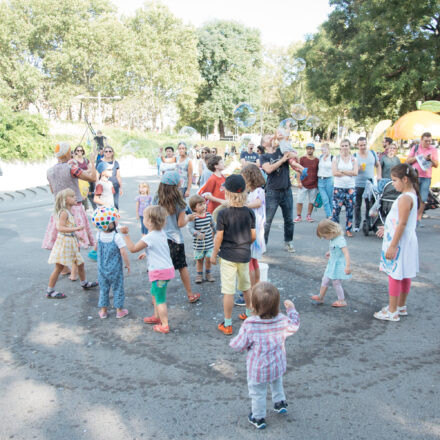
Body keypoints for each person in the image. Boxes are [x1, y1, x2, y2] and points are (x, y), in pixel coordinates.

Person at [229, 282, 300, 430]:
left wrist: (236, 343)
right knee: (276, 382)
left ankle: (258, 417)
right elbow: (294, 325)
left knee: (258, 393)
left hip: (258, 369)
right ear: (277, 305)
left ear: (253, 306)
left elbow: (238, 344)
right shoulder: (282, 319)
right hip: (277, 364)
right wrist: (292, 309)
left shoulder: (250, 324)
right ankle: (280, 403)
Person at [43, 142, 97, 279]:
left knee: (60, 239)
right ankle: (74, 273)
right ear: (67, 153)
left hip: (58, 208)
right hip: (75, 207)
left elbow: (52, 190)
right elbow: (92, 178)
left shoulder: (49, 171)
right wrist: (92, 162)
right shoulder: (71, 168)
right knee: (75, 238)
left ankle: (64, 269)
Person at [374, 163, 421, 321]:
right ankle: (401, 306)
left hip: (399, 243)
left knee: (394, 275)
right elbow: (398, 222)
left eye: (394, 180)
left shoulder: (405, 198)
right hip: (406, 241)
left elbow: (401, 223)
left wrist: (392, 245)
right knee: (405, 274)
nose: (393, 184)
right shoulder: (412, 194)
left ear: (405, 179)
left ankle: (392, 310)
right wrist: (386, 228)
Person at [210, 175, 256, 335]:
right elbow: (253, 236)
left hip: (228, 257)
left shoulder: (223, 214)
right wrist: (244, 245)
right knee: (246, 287)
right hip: (244, 255)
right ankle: (249, 315)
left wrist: (214, 254)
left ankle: (228, 324)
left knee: (228, 291)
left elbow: (219, 237)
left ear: (227, 193)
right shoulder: (249, 213)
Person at [120, 206, 175, 333]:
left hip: (159, 272)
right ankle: (156, 317)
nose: (143, 219)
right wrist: (147, 252)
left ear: (149, 221)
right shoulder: (161, 232)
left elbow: (133, 249)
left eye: (144, 217)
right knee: (154, 293)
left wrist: (125, 235)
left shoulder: (149, 237)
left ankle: (165, 324)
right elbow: (159, 248)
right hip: (165, 270)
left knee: (160, 299)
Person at [155, 171, 201, 303]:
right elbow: (180, 223)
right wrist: (189, 217)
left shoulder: (156, 198)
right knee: (182, 267)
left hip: (159, 238)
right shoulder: (179, 202)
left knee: (160, 268)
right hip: (175, 240)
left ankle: (157, 297)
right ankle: (190, 294)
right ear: (177, 184)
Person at [46, 189, 98, 299]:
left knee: (80, 263)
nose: (75, 197)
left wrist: (78, 236)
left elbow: (68, 227)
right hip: (64, 243)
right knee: (59, 267)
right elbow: (60, 227)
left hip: (71, 242)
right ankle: (50, 291)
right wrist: (77, 228)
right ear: (65, 200)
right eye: (72, 196)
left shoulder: (69, 211)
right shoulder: (64, 212)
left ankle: (84, 283)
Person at [259, 134, 297, 252]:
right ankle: (263, 244)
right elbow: (269, 169)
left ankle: (288, 242)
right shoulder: (264, 157)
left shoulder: (281, 150)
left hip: (287, 191)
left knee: (289, 219)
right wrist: (282, 160)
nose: (269, 137)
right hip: (272, 192)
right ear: (264, 144)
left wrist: (282, 140)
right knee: (267, 221)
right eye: (266, 138)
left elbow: (295, 155)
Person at [92, 207, 130, 319]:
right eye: (114, 220)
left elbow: (95, 247)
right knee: (118, 287)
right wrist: (127, 264)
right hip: (115, 269)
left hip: (102, 268)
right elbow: (123, 252)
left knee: (104, 288)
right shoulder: (116, 237)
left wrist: (94, 251)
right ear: (111, 224)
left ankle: (103, 311)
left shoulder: (98, 235)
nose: (116, 221)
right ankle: (119, 310)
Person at [311, 219, 351, 307]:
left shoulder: (340, 240)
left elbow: (346, 253)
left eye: (325, 236)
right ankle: (321, 297)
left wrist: (348, 266)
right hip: (332, 264)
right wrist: (330, 252)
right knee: (325, 280)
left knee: (336, 283)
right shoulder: (333, 238)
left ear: (331, 231)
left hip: (338, 266)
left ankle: (342, 300)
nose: (325, 238)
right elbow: (334, 248)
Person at [242, 164, 266, 287]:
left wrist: (243, 205)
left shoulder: (259, 191)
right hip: (254, 229)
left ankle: (250, 289)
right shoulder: (251, 192)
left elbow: (257, 203)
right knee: (254, 260)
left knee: (249, 262)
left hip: (253, 230)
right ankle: (256, 286)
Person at [406, 132, 438, 218]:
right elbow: (408, 161)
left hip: (426, 177)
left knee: (423, 199)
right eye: (426, 141)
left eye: (430, 141)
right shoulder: (416, 147)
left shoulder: (433, 149)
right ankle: (411, 215)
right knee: (412, 196)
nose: (428, 143)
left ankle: (418, 218)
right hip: (415, 175)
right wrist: (418, 157)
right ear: (421, 140)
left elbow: (436, 165)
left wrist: (430, 159)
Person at [353, 137, 382, 232]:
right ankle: (357, 224)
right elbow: (352, 171)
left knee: (369, 205)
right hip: (358, 183)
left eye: (364, 145)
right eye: (361, 145)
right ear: (357, 146)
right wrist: (358, 169)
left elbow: (378, 165)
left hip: (369, 183)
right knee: (357, 205)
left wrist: (379, 176)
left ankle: (368, 223)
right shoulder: (355, 156)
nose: (363, 147)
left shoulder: (372, 154)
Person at [331, 139, 358, 237]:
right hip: (339, 187)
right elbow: (334, 173)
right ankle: (336, 230)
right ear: (340, 147)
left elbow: (355, 173)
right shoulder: (336, 158)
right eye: (342, 146)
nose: (344, 148)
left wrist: (342, 171)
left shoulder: (353, 159)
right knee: (336, 210)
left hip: (350, 187)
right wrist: (348, 172)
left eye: (346, 145)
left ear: (349, 147)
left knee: (350, 210)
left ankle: (348, 229)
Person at [188, 194, 216, 283]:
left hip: (209, 243)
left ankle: (208, 274)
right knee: (199, 260)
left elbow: (213, 225)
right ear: (194, 208)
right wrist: (197, 233)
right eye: (200, 205)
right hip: (199, 245)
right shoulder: (193, 217)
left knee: (208, 259)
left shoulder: (208, 215)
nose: (204, 206)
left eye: (204, 204)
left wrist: (217, 233)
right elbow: (190, 228)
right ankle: (199, 275)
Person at [295, 142, 319, 223]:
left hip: (314, 184)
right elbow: (298, 170)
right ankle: (298, 216)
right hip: (303, 183)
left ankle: (309, 215)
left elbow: (318, 171)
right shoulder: (302, 159)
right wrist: (299, 182)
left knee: (311, 201)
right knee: (299, 200)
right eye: (308, 148)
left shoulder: (317, 160)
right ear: (306, 149)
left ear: (313, 149)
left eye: (311, 148)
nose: (309, 150)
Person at [317, 143, 334, 219]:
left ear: (329, 149)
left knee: (330, 199)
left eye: (325, 149)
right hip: (320, 180)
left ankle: (330, 216)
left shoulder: (332, 158)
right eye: (322, 149)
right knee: (325, 199)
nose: (323, 151)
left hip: (329, 180)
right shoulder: (320, 157)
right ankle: (330, 215)